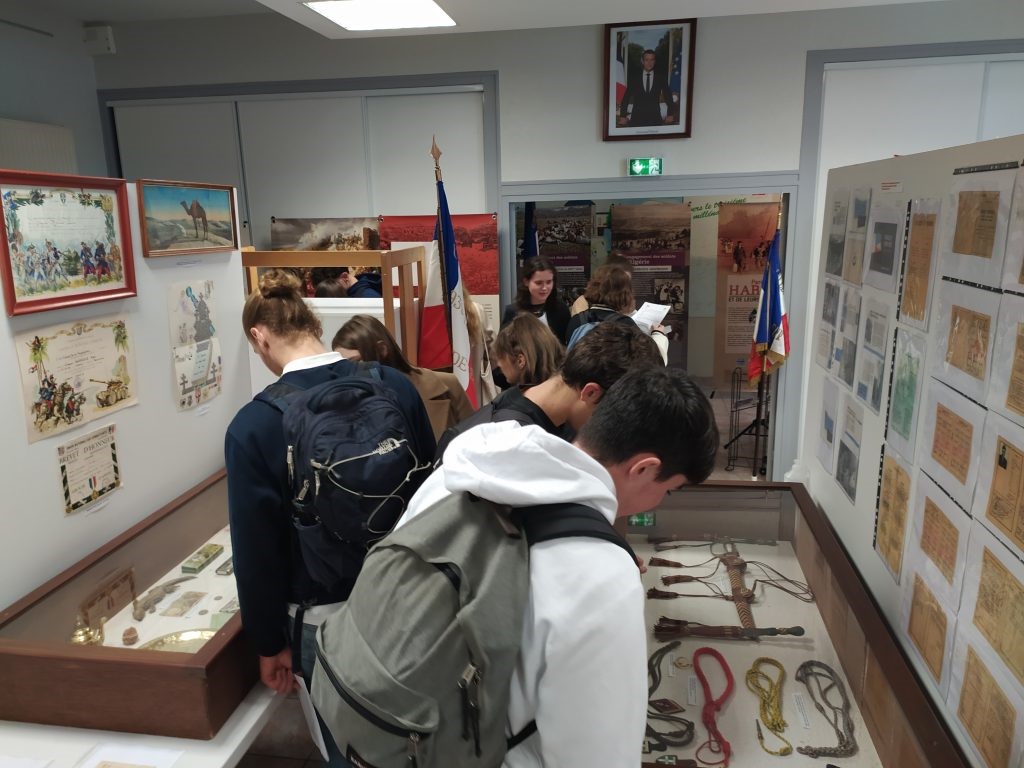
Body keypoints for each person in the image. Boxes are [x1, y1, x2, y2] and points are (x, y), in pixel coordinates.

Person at [400, 366, 719, 768]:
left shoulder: (463, 468)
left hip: (397, 727)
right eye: (668, 490)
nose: (660, 501)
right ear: (643, 468)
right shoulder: (604, 577)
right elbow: (598, 754)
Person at [224, 269, 434, 767]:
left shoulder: (253, 426)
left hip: (322, 619)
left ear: (260, 336)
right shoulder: (393, 386)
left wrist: (268, 643)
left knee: (347, 746)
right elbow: (431, 489)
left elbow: (257, 554)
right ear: (313, 323)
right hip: (407, 594)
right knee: (419, 731)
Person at [435, 319, 662, 463]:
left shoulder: (545, 417)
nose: (611, 427)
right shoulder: (507, 447)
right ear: (591, 393)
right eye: (614, 416)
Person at [331, 313, 474, 441]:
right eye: (341, 365)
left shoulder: (446, 385)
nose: (347, 371)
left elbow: (475, 444)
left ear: (382, 350)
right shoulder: (343, 403)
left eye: (355, 362)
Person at [564, 265, 670, 363]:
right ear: (625, 294)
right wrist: (658, 334)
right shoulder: (625, 324)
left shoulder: (576, 320)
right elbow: (651, 361)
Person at [501, 255, 570, 342]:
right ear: (526, 282)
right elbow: (503, 345)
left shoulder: (561, 310)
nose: (544, 288)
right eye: (539, 283)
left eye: (549, 282)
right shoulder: (512, 311)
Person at [491, 312, 565, 390]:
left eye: (501, 356)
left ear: (520, 361)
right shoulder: (564, 388)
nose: (499, 364)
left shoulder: (517, 397)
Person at [617, 48, 676, 127]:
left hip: (655, 120)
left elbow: (668, 97)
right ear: (642, 61)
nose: (649, 63)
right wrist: (623, 116)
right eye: (647, 60)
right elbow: (626, 98)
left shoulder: (660, 78)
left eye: (652, 60)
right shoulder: (634, 78)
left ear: (655, 61)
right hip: (636, 120)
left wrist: (670, 114)